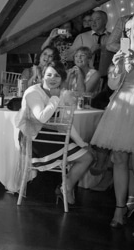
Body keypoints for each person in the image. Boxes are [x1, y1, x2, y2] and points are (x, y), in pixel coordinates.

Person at [15, 59, 95, 204]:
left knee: (88, 156)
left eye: (57, 76)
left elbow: (66, 124)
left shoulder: (61, 94)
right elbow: (42, 117)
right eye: (49, 75)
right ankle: (65, 188)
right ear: (42, 76)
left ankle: (66, 187)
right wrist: (54, 98)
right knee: (86, 157)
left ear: (63, 79)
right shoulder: (33, 92)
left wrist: (81, 143)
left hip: (52, 137)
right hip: (34, 140)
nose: (52, 79)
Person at [93, 8, 134, 230]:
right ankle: (119, 209)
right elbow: (113, 85)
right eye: (133, 28)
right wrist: (117, 69)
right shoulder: (125, 50)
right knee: (119, 160)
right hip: (122, 107)